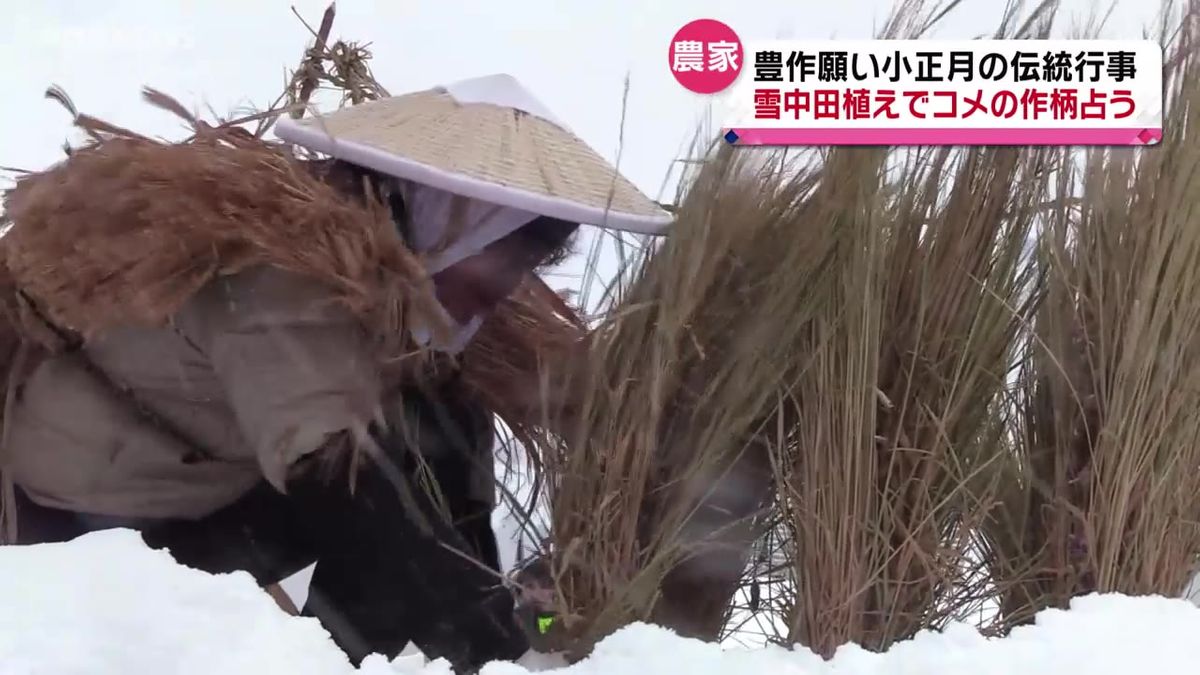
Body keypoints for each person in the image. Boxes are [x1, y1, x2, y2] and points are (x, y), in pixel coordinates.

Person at [0, 73, 672, 672]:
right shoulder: (284, 277)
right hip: (86, 516)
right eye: (503, 256)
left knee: (432, 438)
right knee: (377, 561)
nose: (511, 286)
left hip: (223, 488)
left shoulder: (410, 288)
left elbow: (447, 481)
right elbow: (354, 496)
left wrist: (507, 618)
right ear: (449, 218)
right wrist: (500, 660)